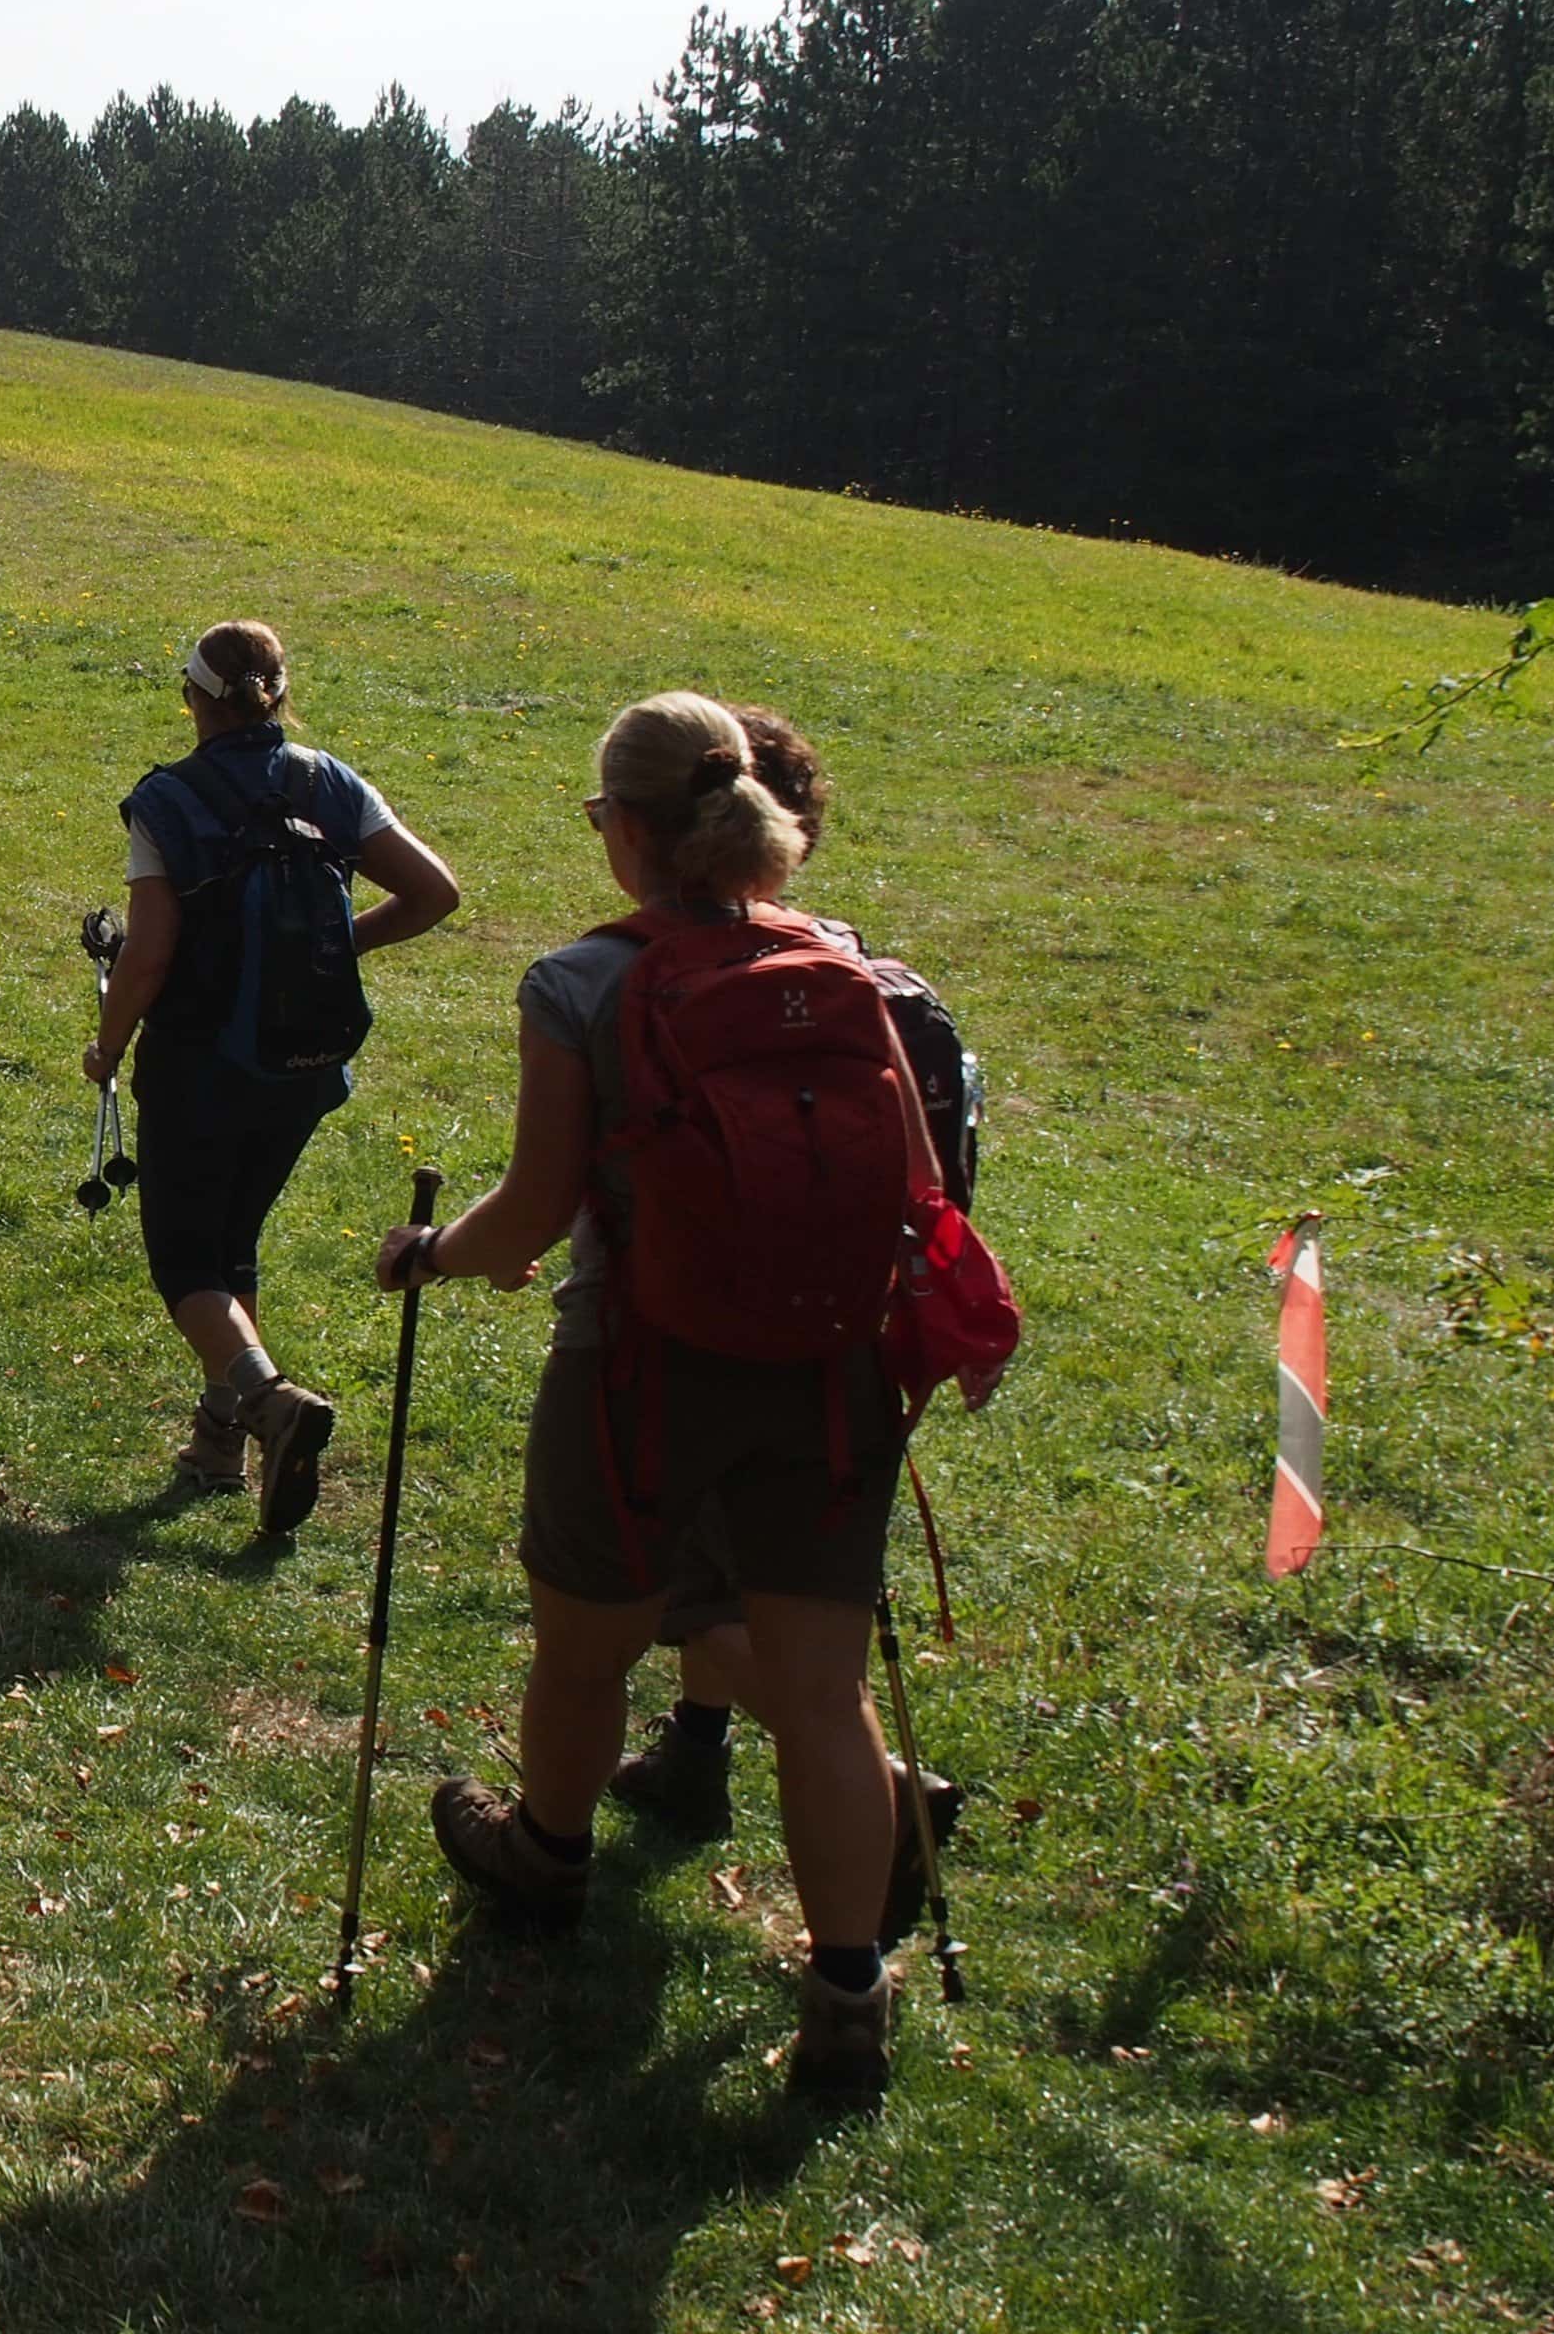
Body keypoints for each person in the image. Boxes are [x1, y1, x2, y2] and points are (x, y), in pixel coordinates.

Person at [376, 690, 926, 2098]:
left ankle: (547, 1858)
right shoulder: (858, 971)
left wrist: (434, 1254)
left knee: (586, 1645)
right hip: (831, 1383)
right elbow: (921, 1195)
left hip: (641, 1370)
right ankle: (849, 1989)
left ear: (625, 828)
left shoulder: (581, 985)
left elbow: (534, 1212)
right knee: (819, 1692)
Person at [604, 708, 963, 1950]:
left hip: (701, 1330)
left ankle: (882, 1797)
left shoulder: (677, 979)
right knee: (764, 1591)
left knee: (700, 1601)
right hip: (850, 1346)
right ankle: (695, 1753)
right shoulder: (882, 983)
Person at [84, 620, 458, 1537]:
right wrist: (332, 949)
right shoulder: (325, 780)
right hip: (304, 1063)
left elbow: (151, 954)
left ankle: (272, 1403)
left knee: (185, 1263)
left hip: (199, 1059)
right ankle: (220, 1443)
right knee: (235, 1242)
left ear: (194, 700)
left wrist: (107, 1042)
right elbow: (435, 892)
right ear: (279, 694)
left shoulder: (167, 801)